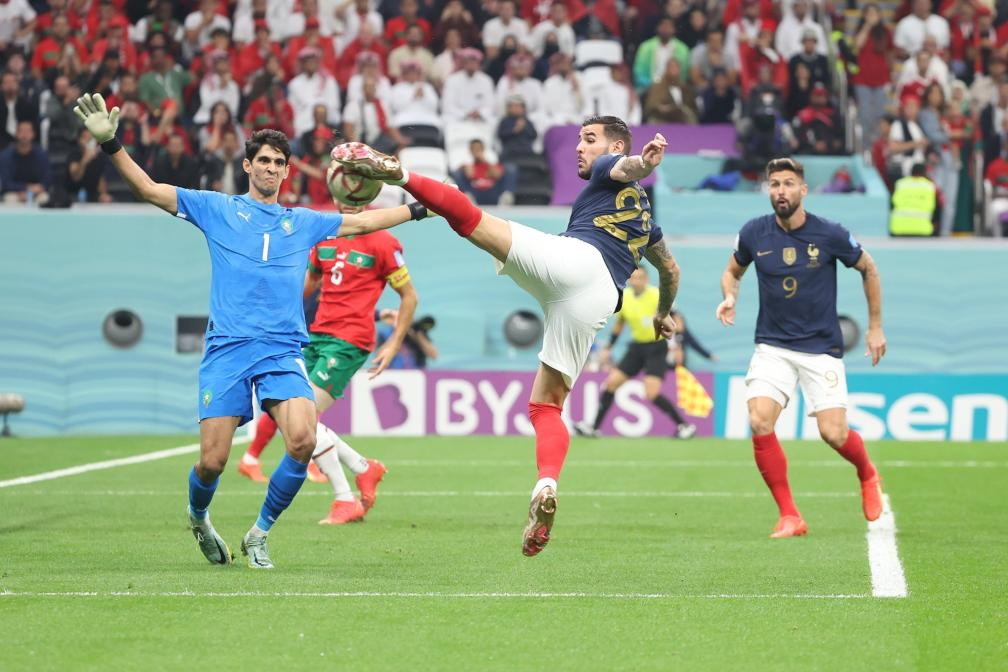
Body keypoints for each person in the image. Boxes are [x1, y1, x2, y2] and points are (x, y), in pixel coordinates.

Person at [72, 92, 424, 569]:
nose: (271, 169)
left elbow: (364, 222)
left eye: (279, 162)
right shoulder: (215, 208)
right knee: (213, 462)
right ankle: (199, 517)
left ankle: (260, 533)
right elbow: (151, 190)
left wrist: (422, 206)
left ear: (287, 171)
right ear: (247, 165)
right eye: (264, 160)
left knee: (302, 438)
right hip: (228, 349)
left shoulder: (301, 222)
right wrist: (111, 144)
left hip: (282, 350)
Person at [330, 115, 681, 557]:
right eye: (578, 139)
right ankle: (546, 484)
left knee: (467, 214)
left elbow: (623, 168)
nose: (579, 147)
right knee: (546, 405)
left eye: (589, 140)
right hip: (599, 298)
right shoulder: (645, 217)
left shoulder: (604, 168)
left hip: (575, 260)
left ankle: (397, 172)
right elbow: (670, 268)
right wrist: (664, 313)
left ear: (611, 148)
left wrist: (641, 163)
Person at [714, 157, 887, 539]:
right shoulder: (754, 234)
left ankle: (867, 472)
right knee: (759, 419)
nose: (781, 191)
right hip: (772, 346)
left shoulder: (830, 234)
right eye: (774, 184)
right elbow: (732, 270)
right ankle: (790, 515)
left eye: (789, 184)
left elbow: (869, 268)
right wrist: (730, 296)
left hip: (821, 348)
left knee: (834, 434)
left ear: (803, 190)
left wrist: (874, 326)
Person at [238, 201, 418, 525]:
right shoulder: (324, 235)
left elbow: (410, 296)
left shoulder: (382, 240)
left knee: (300, 419)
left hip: (350, 341)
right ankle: (364, 469)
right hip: (316, 335)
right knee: (290, 414)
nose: (346, 191)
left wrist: (393, 343)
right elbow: (307, 289)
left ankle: (345, 498)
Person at [574, 268, 697, 440]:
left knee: (651, 393)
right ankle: (593, 428)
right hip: (636, 348)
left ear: (646, 279)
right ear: (630, 279)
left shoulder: (657, 295)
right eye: (634, 278)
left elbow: (677, 319)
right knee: (611, 384)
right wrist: (609, 346)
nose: (637, 281)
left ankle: (685, 426)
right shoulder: (625, 297)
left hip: (656, 347)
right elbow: (620, 323)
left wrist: (677, 345)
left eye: (641, 277)